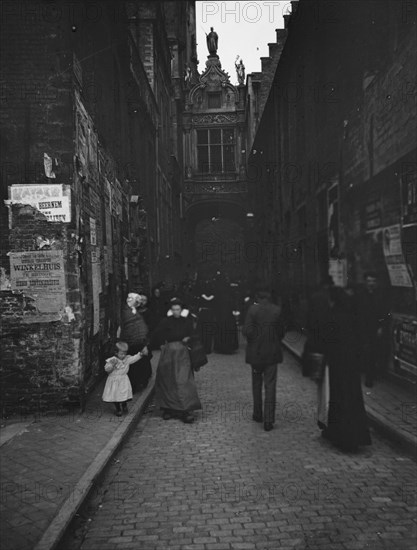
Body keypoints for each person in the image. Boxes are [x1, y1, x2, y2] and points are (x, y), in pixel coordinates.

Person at [322, 285, 372, 452]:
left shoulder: (333, 314)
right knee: (353, 398)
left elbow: (327, 339)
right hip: (351, 364)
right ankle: (356, 436)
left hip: (337, 363)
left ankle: (341, 436)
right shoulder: (353, 315)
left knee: (338, 397)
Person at [152, 300, 202, 423]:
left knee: (183, 381)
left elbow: (196, 335)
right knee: (168, 380)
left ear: (181, 310)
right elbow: (156, 334)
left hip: (183, 354)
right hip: (169, 354)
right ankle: (168, 409)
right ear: (171, 310)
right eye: (173, 309)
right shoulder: (165, 322)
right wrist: (158, 345)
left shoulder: (186, 321)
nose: (176, 312)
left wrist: (188, 338)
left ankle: (186, 410)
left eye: (178, 309)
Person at [243, 286, 283, 432]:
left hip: (256, 354)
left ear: (257, 297)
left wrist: (254, 340)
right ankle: (268, 420)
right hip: (272, 354)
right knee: (270, 385)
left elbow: (247, 330)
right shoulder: (276, 310)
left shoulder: (252, 310)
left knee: (256, 384)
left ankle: (257, 413)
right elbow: (281, 332)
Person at [355, 272, 390, 387]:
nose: (371, 283)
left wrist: (381, 327)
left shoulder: (380, 296)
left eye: (373, 281)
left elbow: (384, 313)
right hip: (362, 328)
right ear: (365, 282)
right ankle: (366, 374)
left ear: (377, 282)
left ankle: (370, 376)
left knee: (373, 352)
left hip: (375, 328)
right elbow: (356, 312)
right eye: (369, 281)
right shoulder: (360, 295)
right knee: (364, 351)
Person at [102, 341, 148, 416]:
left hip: (123, 380)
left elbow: (134, 359)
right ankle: (118, 409)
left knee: (123, 394)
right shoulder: (112, 360)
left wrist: (140, 354)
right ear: (116, 352)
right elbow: (107, 369)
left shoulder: (127, 359)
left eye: (125, 353)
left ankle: (124, 405)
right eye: (121, 354)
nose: (123, 355)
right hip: (114, 381)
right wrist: (112, 365)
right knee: (115, 395)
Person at [118, 293, 150, 393]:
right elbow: (129, 327)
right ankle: (134, 386)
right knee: (133, 366)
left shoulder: (134, 311)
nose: (138, 304)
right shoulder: (127, 312)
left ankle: (140, 383)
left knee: (140, 364)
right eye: (137, 301)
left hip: (139, 342)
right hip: (131, 343)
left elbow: (140, 326)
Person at [213, 272, 239, 354]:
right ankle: (229, 346)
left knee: (221, 328)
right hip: (228, 311)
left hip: (220, 311)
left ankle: (221, 347)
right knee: (229, 328)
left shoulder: (216, 287)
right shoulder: (228, 287)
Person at [196, 280, 216, 354]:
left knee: (202, 331)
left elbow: (198, 306)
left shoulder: (201, 296)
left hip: (203, 314)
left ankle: (201, 348)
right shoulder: (214, 297)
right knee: (209, 332)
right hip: (210, 314)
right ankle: (208, 349)